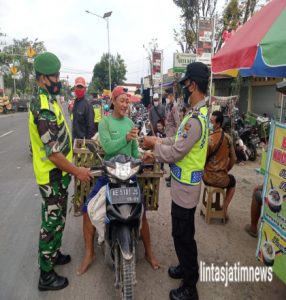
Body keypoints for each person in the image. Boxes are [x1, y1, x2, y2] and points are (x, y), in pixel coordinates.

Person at [143, 62, 210, 300]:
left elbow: (176, 153)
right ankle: (184, 267)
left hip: (186, 190)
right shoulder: (195, 115)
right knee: (181, 232)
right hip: (183, 188)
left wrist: (154, 151)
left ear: (193, 85)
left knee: (183, 237)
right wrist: (157, 141)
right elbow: (175, 142)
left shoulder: (195, 121)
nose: (183, 89)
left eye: (185, 84)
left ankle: (190, 287)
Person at [77, 86, 159, 275]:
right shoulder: (105, 123)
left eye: (127, 101)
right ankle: (89, 254)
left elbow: (132, 153)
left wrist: (143, 157)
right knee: (87, 210)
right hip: (109, 174)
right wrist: (125, 137)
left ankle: (149, 252)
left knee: (142, 213)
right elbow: (107, 147)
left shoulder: (130, 122)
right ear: (113, 101)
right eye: (121, 101)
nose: (125, 104)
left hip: (128, 175)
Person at [29, 52, 92, 291]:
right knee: (51, 223)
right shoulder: (43, 108)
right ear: (44, 78)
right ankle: (46, 275)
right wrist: (77, 171)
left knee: (59, 219)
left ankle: (54, 254)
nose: (58, 79)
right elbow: (54, 154)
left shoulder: (50, 99)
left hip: (59, 175)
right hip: (52, 175)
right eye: (55, 76)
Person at [203, 110, 237, 218]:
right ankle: (224, 207)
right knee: (233, 182)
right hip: (222, 179)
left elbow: (202, 160)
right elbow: (234, 158)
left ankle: (220, 207)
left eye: (212, 122)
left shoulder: (209, 140)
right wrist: (226, 170)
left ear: (218, 124)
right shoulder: (228, 138)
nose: (210, 123)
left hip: (207, 178)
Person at [164, 88, 180, 186]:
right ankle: (171, 176)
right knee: (170, 158)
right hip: (169, 134)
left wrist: (177, 137)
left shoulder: (174, 107)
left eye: (168, 96)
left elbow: (177, 122)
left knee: (173, 157)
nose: (167, 98)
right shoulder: (169, 106)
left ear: (172, 96)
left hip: (173, 135)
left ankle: (173, 179)